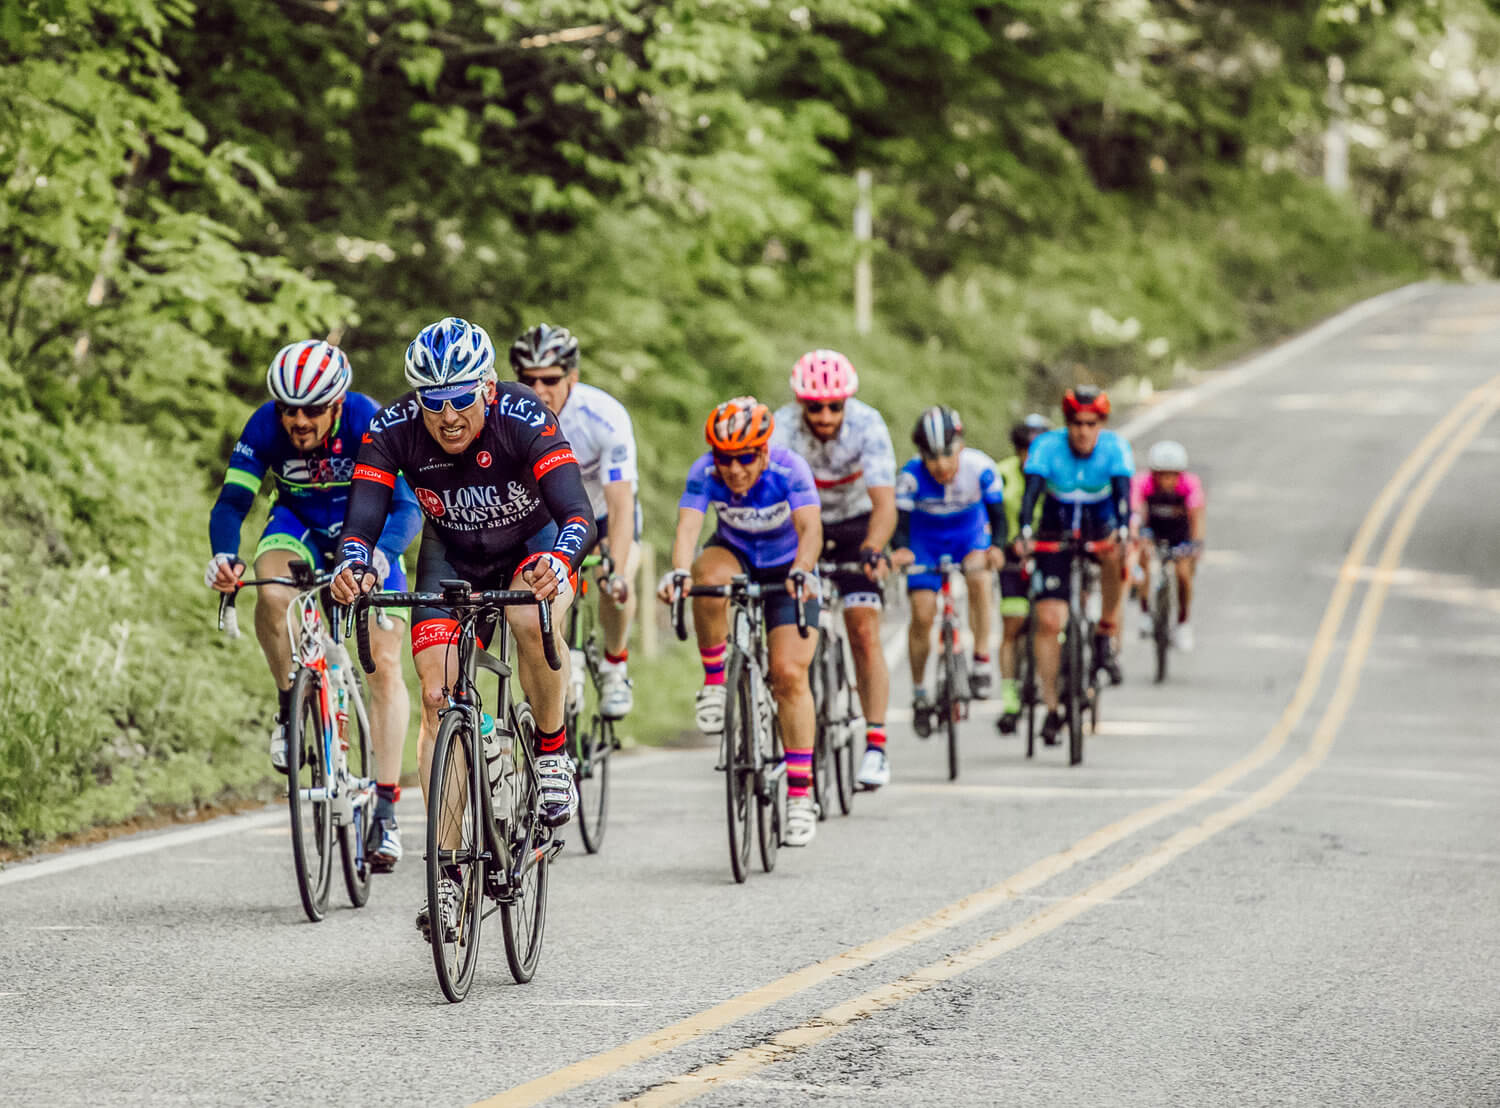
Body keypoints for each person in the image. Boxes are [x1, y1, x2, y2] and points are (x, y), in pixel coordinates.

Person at [328, 317, 596, 938]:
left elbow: (576, 512)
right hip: (451, 558)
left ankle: (553, 754)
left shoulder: (525, 416)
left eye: (460, 401)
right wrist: (352, 565)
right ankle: (448, 875)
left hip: (532, 547)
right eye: (433, 403)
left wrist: (560, 558)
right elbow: (362, 522)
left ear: (489, 388)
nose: (448, 417)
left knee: (531, 613)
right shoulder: (392, 429)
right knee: (435, 695)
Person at [206, 339, 421, 872]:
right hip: (298, 526)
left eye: (312, 410)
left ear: (338, 402)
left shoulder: (369, 421)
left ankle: (388, 811)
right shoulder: (264, 426)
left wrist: (378, 556)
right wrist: (225, 556)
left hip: (365, 533)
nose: (298, 421)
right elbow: (234, 501)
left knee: (386, 668)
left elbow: (405, 507)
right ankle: (289, 706)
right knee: (272, 588)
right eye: (288, 409)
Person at [657, 397, 824, 846]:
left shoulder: (790, 469)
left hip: (789, 566)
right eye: (724, 457)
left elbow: (811, 529)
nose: (734, 469)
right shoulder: (704, 472)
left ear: (764, 452)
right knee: (705, 578)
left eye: (746, 457)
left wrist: (804, 570)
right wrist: (678, 570)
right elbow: (689, 529)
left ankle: (801, 796)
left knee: (789, 675)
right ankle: (715, 681)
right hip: (736, 556)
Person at [771, 350, 898, 789]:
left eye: (834, 406)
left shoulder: (868, 425)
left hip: (855, 525)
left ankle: (876, 746)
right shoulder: (781, 428)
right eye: (815, 406)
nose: (825, 416)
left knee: (863, 630)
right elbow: (772, 498)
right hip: (799, 523)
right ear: (799, 403)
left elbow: (885, 503)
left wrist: (872, 548)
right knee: (792, 632)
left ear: (848, 402)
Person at [509, 323, 641, 718]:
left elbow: (621, 504)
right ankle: (560, 683)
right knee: (543, 604)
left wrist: (615, 567)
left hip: (601, 517)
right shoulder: (510, 415)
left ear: (573, 377)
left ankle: (616, 664)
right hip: (547, 521)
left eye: (550, 379)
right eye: (527, 379)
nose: (539, 389)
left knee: (614, 583)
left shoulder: (604, 417)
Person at [1015, 385, 1133, 745]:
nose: (1083, 431)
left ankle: (1105, 631)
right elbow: (1031, 495)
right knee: (1049, 622)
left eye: (1091, 423)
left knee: (1118, 553)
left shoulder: (1114, 448)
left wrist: (1125, 529)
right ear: (1066, 423)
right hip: (1057, 525)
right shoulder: (1047, 447)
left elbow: (1123, 497)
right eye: (1076, 423)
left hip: (1100, 522)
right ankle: (1052, 709)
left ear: (1101, 424)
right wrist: (1024, 531)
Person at [890, 406, 1006, 736]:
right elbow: (900, 526)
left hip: (968, 536)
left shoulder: (981, 468)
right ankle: (919, 693)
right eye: (931, 457)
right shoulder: (910, 477)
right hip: (925, 541)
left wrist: (996, 547)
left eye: (947, 454)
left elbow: (998, 518)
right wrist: (900, 551)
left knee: (979, 577)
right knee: (922, 614)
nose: (940, 464)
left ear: (961, 446)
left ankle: (981, 659)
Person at [995, 413, 1050, 734]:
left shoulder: (1055, 474)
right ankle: (1010, 700)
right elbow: (991, 516)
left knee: (1053, 621)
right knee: (1012, 625)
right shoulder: (1001, 475)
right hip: (1012, 557)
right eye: (1024, 450)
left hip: (1048, 552)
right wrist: (1002, 546)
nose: (1030, 457)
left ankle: (1058, 684)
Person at [1131, 439, 1206, 651]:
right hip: (1153, 531)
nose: (1167, 479)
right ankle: (1145, 612)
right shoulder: (1143, 482)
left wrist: (1195, 544)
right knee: (1142, 558)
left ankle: (1183, 623)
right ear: (1154, 473)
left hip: (1180, 535)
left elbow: (1197, 517)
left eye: (1172, 474)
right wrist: (1139, 537)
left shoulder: (1190, 484)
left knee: (1183, 575)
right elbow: (1136, 510)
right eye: (1162, 474)